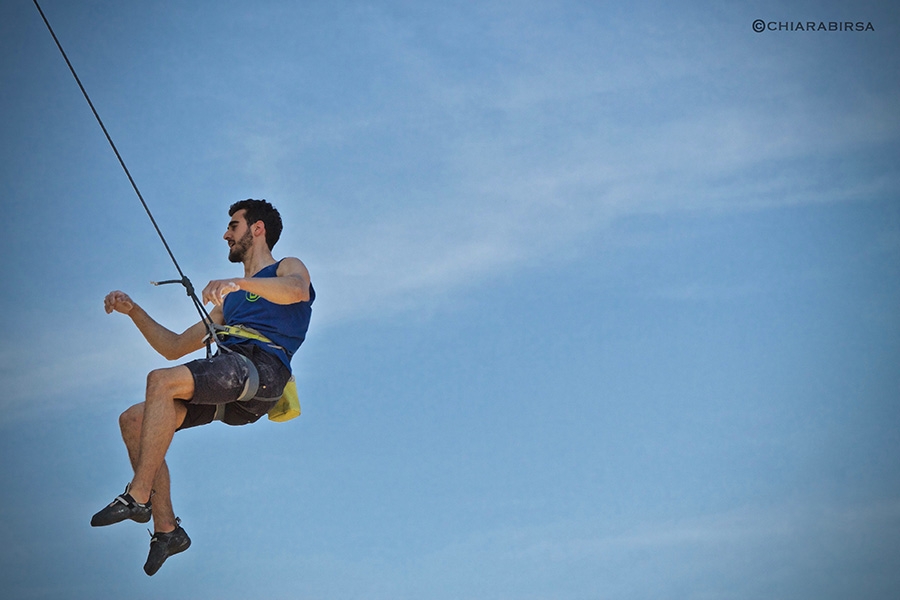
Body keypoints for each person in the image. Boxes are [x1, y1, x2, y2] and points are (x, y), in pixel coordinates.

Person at [90, 199, 314, 576]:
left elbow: (296, 291)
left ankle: (138, 495)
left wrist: (238, 283)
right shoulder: (230, 299)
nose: (226, 233)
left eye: (233, 225)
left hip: (261, 370)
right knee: (133, 420)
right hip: (229, 380)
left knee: (160, 380)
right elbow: (175, 345)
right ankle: (167, 531)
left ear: (257, 228)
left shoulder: (284, 267)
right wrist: (134, 311)